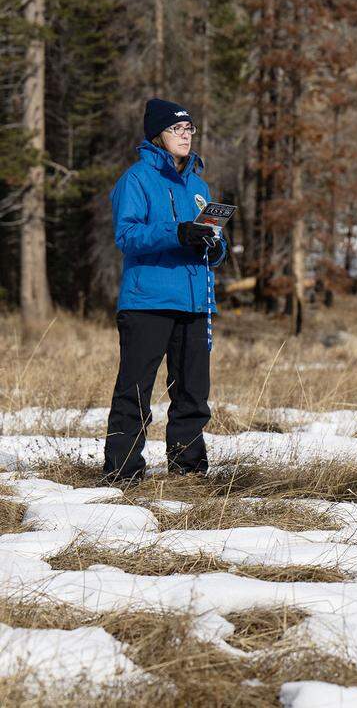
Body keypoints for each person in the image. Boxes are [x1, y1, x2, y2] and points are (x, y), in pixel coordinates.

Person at [103, 98, 227, 485]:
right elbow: (127, 235)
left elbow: (213, 245)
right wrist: (177, 231)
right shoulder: (137, 179)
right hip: (148, 301)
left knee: (192, 393)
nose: (186, 135)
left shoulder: (198, 184)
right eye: (177, 129)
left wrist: (214, 243)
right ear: (158, 135)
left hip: (194, 301)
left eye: (189, 129)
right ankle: (122, 473)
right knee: (135, 391)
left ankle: (188, 471)